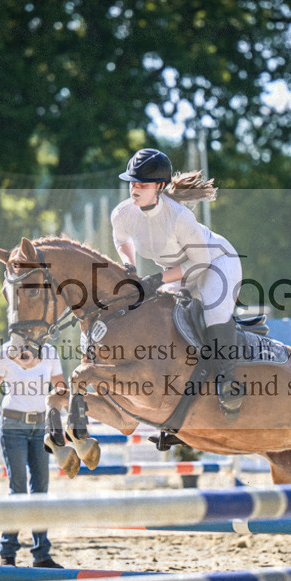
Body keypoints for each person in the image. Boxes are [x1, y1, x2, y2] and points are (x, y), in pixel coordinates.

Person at [112, 148, 246, 423]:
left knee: (213, 313)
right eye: (132, 181)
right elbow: (121, 240)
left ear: (160, 187)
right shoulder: (123, 213)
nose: (134, 188)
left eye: (142, 183)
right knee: (159, 315)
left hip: (216, 262)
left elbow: (200, 262)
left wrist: (158, 279)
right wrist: (130, 266)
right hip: (179, 271)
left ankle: (227, 383)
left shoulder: (178, 217)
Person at [0, 341, 65, 568]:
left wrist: (76, 424)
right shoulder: (3, 353)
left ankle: (41, 554)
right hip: (12, 426)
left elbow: (61, 390)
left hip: (41, 426)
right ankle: (7, 551)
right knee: (18, 488)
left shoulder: (50, 352)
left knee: (41, 488)